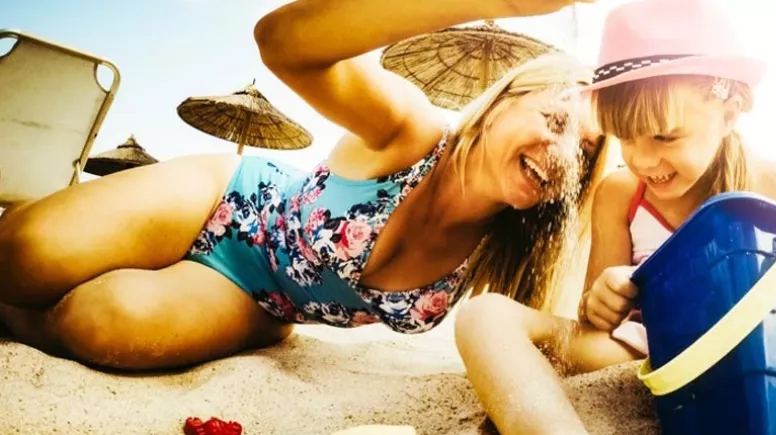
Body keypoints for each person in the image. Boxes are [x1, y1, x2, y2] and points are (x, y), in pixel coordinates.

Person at [0, 0, 609, 371]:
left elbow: (573, 338)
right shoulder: (414, 133)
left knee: (101, 323)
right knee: (24, 255)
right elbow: (285, 44)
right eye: (555, 120)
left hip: (257, 300)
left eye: (581, 153)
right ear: (502, 101)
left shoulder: (510, 249)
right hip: (225, 198)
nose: (560, 156)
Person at [455, 1, 776, 434]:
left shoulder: (766, 183)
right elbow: (599, 321)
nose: (642, 159)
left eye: (664, 137)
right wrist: (607, 294)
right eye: (625, 138)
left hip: (765, 345)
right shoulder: (619, 194)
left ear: (728, 112)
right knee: (485, 316)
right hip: (650, 353)